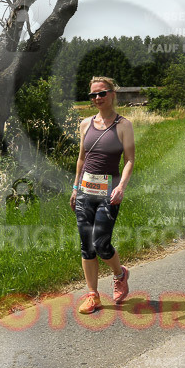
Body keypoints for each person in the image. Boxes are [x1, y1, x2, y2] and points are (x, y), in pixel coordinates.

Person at [71, 76, 136, 314]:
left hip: (109, 192)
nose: (97, 98)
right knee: (86, 245)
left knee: (101, 242)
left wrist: (122, 187)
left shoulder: (123, 125)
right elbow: (82, 158)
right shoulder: (85, 124)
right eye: (93, 95)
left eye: (102, 93)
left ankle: (120, 274)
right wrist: (75, 188)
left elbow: (130, 159)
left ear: (112, 94)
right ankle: (93, 295)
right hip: (85, 191)